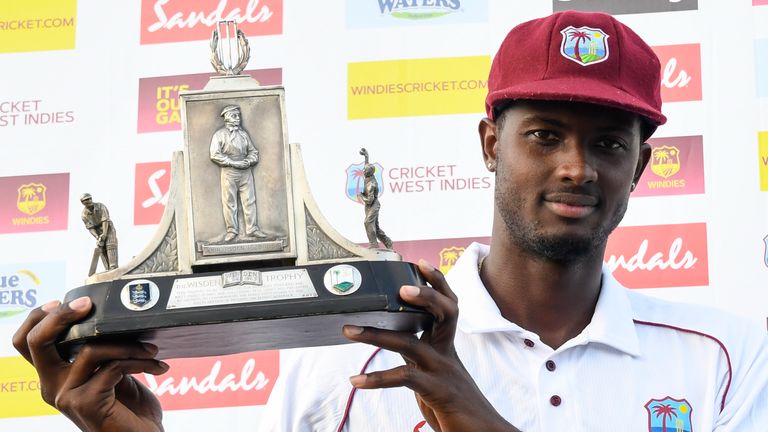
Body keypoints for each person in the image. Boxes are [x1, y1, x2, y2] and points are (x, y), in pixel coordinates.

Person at [12, 11, 768, 432]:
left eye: (608, 144)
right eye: (544, 135)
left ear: (639, 168)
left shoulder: (723, 359)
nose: (576, 168)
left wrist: (472, 418)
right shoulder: (348, 357)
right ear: (489, 145)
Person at [210, 104, 268, 242]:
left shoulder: (243, 134)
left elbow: (253, 151)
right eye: (235, 116)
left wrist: (248, 161)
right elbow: (214, 155)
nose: (238, 119)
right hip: (229, 172)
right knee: (229, 202)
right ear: (227, 118)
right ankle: (232, 230)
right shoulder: (219, 135)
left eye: (238, 116)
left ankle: (252, 229)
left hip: (246, 172)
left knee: (249, 201)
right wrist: (232, 162)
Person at [358, 147, 394, 249]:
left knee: (368, 222)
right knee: (376, 228)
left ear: (368, 172)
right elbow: (367, 166)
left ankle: (374, 244)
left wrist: (361, 196)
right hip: (370, 206)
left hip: (373, 205)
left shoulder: (371, 184)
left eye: (364, 170)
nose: (363, 171)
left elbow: (369, 201)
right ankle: (388, 242)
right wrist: (366, 156)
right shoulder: (369, 176)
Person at [80, 193, 118, 273]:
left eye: (89, 198)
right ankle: (107, 269)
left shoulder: (100, 206)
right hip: (97, 230)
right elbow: (90, 228)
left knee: (110, 245)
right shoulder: (84, 214)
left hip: (108, 227)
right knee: (101, 247)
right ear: (82, 202)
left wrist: (104, 234)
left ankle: (113, 267)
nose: (89, 200)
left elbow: (105, 220)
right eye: (86, 200)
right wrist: (97, 236)